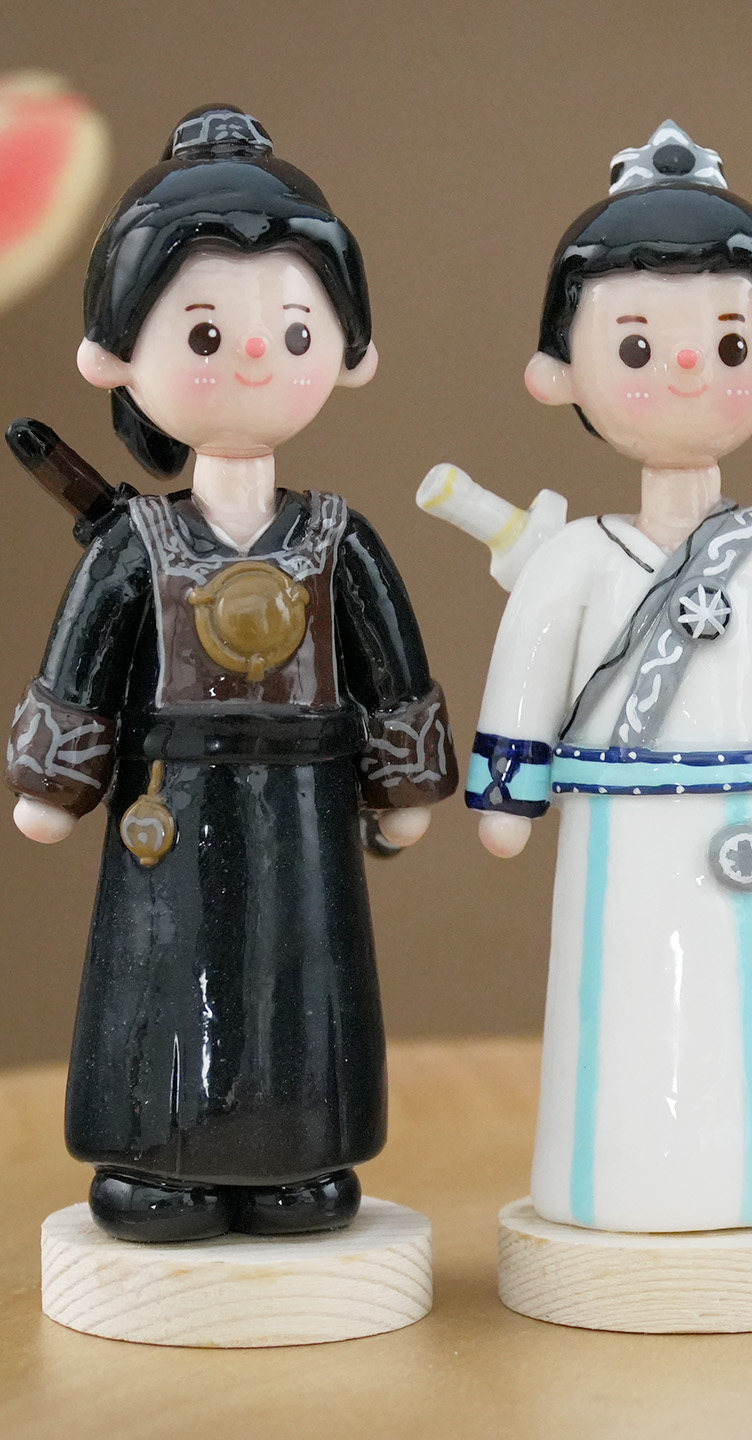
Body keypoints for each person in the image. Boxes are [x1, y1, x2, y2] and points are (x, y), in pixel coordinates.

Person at [6, 106, 457, 1242]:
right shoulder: (137, 543)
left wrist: (401, 783)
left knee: (302, 975)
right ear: (116, 356)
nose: (255, 354)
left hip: (305, 802)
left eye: (295, 329)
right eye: (205, 331)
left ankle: (301, 1155)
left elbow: (392, 664)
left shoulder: (339, 537)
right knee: (164, 975)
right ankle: (158, 1157)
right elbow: (82, 660)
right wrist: (57, 782)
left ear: (348, 351)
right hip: (171, 796)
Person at [469, 122, 752, 1233]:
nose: (691, 366)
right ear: (559, 373)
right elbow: (528, 673)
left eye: (731, 342)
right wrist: (511, 790)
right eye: (637, 346)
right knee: (615, 1007)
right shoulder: (573, 561)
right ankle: (607, 1186)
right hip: (616, 833)